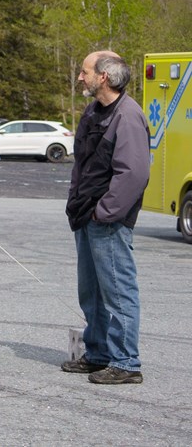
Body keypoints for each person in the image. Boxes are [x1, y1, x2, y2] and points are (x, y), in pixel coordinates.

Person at [65, 51, 151, 385]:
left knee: (118, 292)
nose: (80, 77)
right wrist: (77, 204)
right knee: (91, 292)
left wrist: (104, 213)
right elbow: (81, 164)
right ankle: (99, 353)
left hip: (108, 221)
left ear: (103, 76)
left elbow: (134, 173)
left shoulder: (128, 116)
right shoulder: (93, 112)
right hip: (86, 215)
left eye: (84, 71)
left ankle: (126, 362)